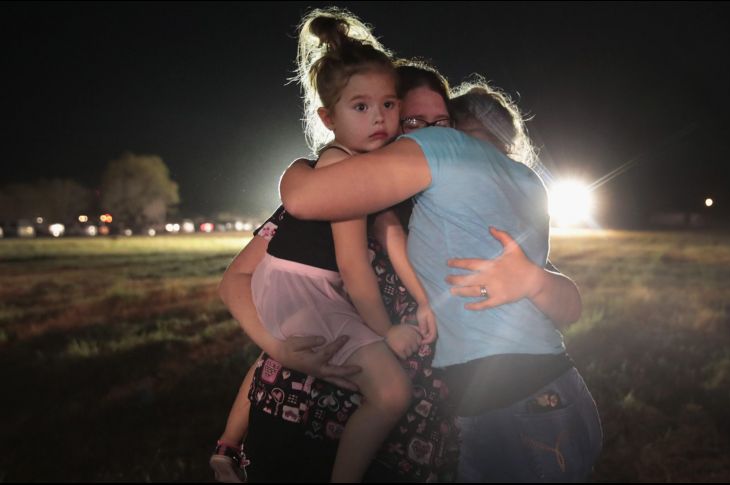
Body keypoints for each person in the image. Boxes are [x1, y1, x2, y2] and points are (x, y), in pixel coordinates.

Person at [279, 80, 603, 481]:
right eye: (415, 120)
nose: (427, 131)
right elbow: (568, 303)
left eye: (437, 122)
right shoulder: (523, 180)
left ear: (453, 129)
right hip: (551, 392)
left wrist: (300, 167)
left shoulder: (443, 148)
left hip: (514, 403)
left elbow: (303, 197)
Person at [212, 10, 439, 484]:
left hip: (304, 291)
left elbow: (388, 238)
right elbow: (353, 268)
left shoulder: (360, 174)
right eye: (361, 107)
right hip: (304, 292)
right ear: (327, 117)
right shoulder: (340, 175)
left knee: (385, 391)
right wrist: (386, 332)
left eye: (390, 105)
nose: (381, 118)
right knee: (391, 391)